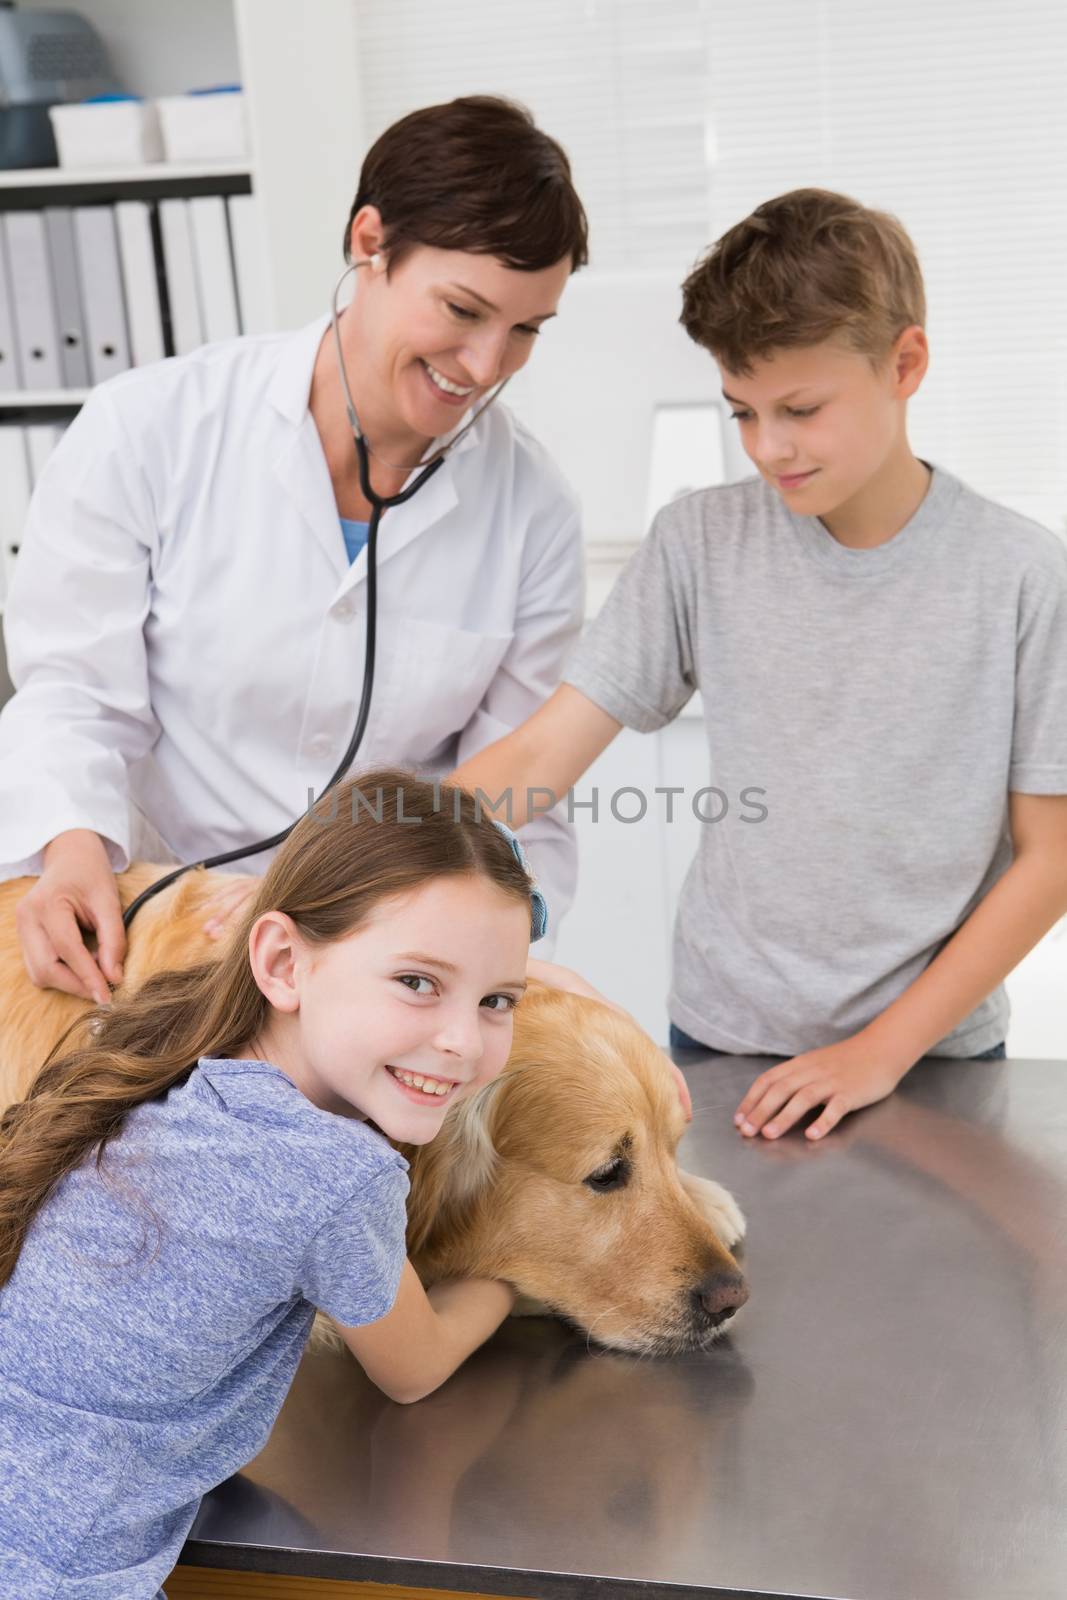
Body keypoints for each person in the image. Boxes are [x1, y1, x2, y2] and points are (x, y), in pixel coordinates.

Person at [451, 188, 1067, 1143]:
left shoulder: (1022, 576)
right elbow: (540, 760)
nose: (768, 448)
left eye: (801, 409)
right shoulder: (701, 540)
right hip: (723, 1040)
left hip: (931, 1053)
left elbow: (1051, 858)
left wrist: (881, 1051)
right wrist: (350, 865)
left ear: (905, 363)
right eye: (741, 412)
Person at [0, 95, 589, 1008]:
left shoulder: (533, 509)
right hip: (156, 941)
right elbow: (73, 695)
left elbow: (515, 798)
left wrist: (505, 951)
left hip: (382, 976)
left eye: (524, 331)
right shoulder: (149, 427)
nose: (483, 365)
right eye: (463, 310)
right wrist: (68, 850)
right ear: (369, 242)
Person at [0, 768, 543, 1598]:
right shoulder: (332, 1174)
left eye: (498, 999)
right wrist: (511, 1265)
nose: (463, 1043)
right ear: (283, 962)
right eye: (417, 983)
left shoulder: (165, 1047)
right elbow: (414, 1367)